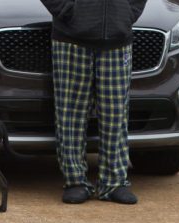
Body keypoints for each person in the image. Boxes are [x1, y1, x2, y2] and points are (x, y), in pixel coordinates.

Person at [40, 0, 148, 205]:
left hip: (118, 39)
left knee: (115, 113)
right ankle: (75, 181)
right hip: (70, 38)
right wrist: (69, 12)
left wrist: (127, 14)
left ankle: (114, 183)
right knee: (70, 112)